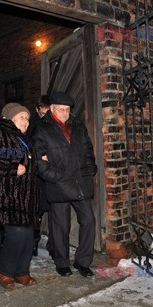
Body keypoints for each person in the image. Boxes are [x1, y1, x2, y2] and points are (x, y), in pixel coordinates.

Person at [32, 91, 97, 277]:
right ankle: (62, 262)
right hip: (58, 182)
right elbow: (39, 160)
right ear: (51, 109)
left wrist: (90, 168)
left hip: (79, 180)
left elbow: (87, 148)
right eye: (61, 110)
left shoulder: (77, 124)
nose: (65, 114)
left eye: (68, 110)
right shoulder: (42, 127)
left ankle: (83, 262)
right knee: (60, 225)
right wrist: (54, 176)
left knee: (88, 220)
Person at [0, 103, 39, 289]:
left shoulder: (24, 137)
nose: (26, 122)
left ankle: (22, 271)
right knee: (16, 234)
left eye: (27, 118)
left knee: (28, 235)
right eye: (21, 118)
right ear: (10, 118)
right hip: (9, 195)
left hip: (27, 196)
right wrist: (12, 169)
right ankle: (5, 271)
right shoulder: (0, 133)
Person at [27, 95, 51, 257]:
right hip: (36, 173)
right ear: (37, 110)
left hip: (49, 172)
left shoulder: (53, 124)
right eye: (42, 113)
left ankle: (51, 243)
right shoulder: (31, 125)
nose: (45, 116)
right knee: (36, 210)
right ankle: (33, 244)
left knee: (51, 208)